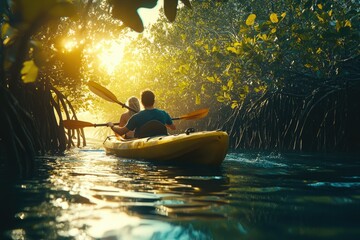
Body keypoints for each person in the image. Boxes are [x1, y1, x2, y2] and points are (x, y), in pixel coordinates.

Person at [107, 90, 176, 137]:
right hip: (160, 140)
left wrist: (112, 126)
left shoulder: (136, 117)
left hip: (143, 143)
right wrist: (163, 122)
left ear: (142, 102)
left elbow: (121, 132)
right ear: (154, 101)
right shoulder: (163, 114)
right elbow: (173, 128)